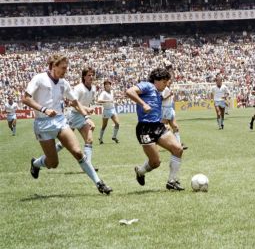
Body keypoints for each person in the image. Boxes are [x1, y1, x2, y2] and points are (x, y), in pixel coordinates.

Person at [24, 54, 112, 195]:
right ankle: (35, 164)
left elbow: (75, 102)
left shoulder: (63, 83)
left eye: (67, 68)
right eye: (63, 68)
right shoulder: (39, 78)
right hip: (42, 124)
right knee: (53, 163)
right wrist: (44, 109)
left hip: (60, 121)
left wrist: (87, 117)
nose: (66, 70)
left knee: (78, 152)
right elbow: (25, 98)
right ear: (54, 66)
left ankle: (99, 183)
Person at [126, 67, 185, 191]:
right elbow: (129, 91)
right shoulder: (147, 85)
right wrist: (143, 104)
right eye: (164, 82)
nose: (165, 85)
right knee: (155, 163)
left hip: (158, 126)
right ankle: (140, 171)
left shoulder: (158, 92)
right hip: (144, 129)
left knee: (178, 149)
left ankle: (172, 181)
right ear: (156, 80)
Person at [162, 78, 188, 150]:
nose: (170, 82)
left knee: (175, 127)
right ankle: (164, 143)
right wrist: (169, 95)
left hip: (170, 109)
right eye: (168, 81)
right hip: (165, 109)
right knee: (165, 127)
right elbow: (161, 98)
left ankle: (178, 144)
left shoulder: (168, 89)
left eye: (170, 81)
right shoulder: (165, 89)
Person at [97, 80, 120, 144]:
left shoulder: (112, 92)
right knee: (104, 125)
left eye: (108, 84)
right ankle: (100, 139)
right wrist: (108, 101)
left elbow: (112, 99)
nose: (107, 85)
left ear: (110, 85)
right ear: (104, 86)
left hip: (112, 109)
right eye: (106, 84)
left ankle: (114, 137)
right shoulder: (103, 93)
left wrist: (115, 102)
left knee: (117, 124)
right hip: (106, 111)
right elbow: (99, 101)